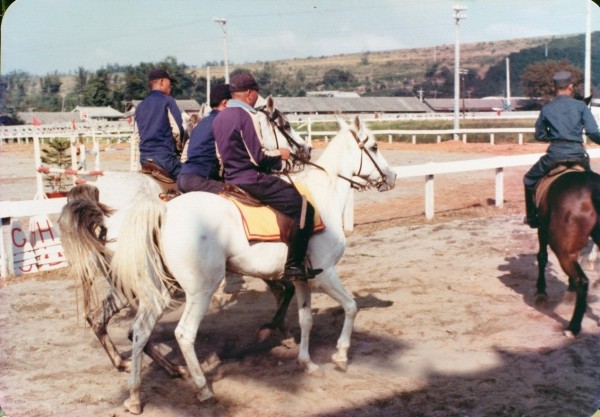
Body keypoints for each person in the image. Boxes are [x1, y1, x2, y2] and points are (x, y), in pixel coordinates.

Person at [213, 72, 322, 281]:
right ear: (249, 94)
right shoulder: (247, 116)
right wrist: (281, 155)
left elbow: (220, 155)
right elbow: (258, 158)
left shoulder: (220, 118)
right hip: (251, 179)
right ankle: (294, 265)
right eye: (256, 92)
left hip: (230, 179)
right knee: (304, 208)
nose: (256, 96)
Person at [523, 71, 600, 228]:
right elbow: (592, 132)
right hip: (578, 155)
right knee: (591, 182)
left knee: (528, 179)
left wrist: (551, 136)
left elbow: (539, 135)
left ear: (554, 87)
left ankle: (532, 217)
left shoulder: (547, 109)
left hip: (554, 156)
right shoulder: (581, 106)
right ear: (570, 87)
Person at [177, 84, 231, 194]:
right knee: (235, 195)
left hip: (183, 178)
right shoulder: (223, 122)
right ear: (225, 103)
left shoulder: (201, 124)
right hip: (200, 179)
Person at [133, 68, 185, 180]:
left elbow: (137, 135)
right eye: (169, 83)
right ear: (162, 82)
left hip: (144, 160)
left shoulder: (140, 106)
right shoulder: (168, 101)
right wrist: (179, 150)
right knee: (193, 178)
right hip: (165, 159)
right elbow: (177, 131)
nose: (170, 87)